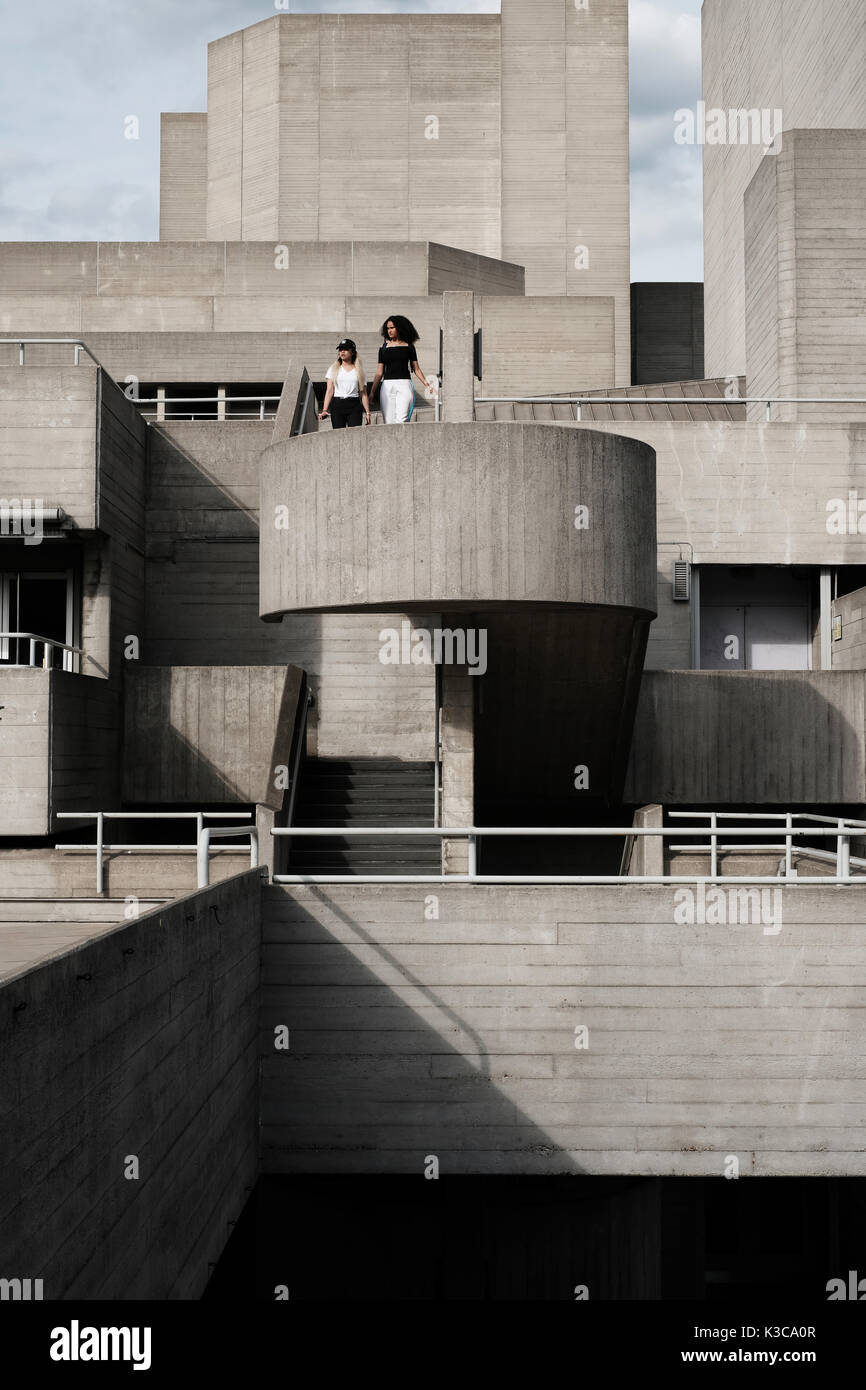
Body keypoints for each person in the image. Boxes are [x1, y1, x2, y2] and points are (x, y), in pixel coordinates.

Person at [369, 316, 437, 424]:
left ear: (399, 328)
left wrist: (427, 385)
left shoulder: (409, 347)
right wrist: (372, 392)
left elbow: (416, 369)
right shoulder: (383, 348)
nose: (389, 331)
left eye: (392, 328)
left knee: (402, 420)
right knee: (388, 421)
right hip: (387, 386)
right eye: (388, 328)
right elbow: (379, 372)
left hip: (404, 384)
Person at [318, 339, 371, 429]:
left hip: (354, 405)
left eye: (345, 349)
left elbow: (364, 393)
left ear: (353, 352)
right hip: (337, 404)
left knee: (355, 434)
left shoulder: (359, 370)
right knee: (338, 435)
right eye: (340, 349)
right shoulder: (333, 368)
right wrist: (324, 410)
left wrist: (368, 412)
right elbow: (330, 391)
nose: (342, 351)